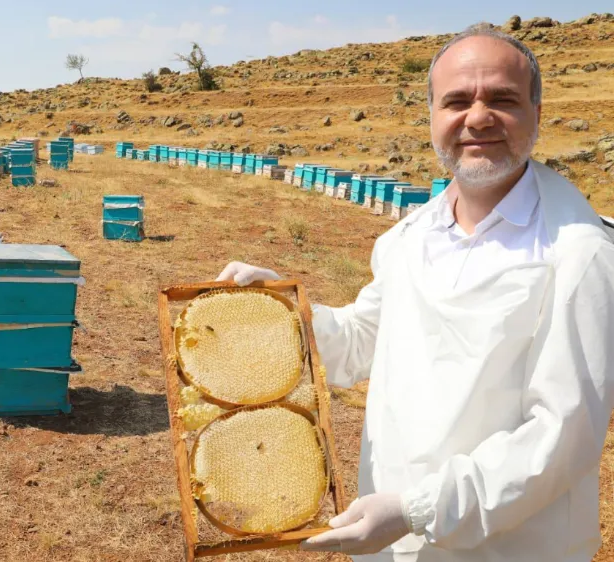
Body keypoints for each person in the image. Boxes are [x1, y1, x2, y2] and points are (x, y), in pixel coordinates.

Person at [216, 24, 614, 562]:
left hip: (506, 549)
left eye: (503, 99)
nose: (477, 117)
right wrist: (287, 314)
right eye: (456, 101)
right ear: (431, 117)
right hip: (388, 541)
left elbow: (562, 436)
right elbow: (362, 340)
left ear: (536, 115)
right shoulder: (408, 237)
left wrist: (418, 509)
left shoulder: (581, 251)